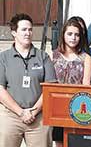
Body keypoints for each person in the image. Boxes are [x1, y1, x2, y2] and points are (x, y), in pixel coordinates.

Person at [0, 13, 56, 147]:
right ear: (14, 32)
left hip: (38, 117)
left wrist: (33, 112)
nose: (28, 33)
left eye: (30, 30)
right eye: (24, 30)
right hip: (11, 116)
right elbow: (0, 89)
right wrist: (21, 112)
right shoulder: (3, 58)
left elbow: (49, 88)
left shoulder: (43, 57)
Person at [52, 18, 91, 147]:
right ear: (63, 35)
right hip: (56, 106)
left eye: (76, 35)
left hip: (77, 107)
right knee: (58, 141)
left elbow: (86, 85)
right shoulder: (53, 56)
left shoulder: (86, 58)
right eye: (69, 34)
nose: (73, 38)